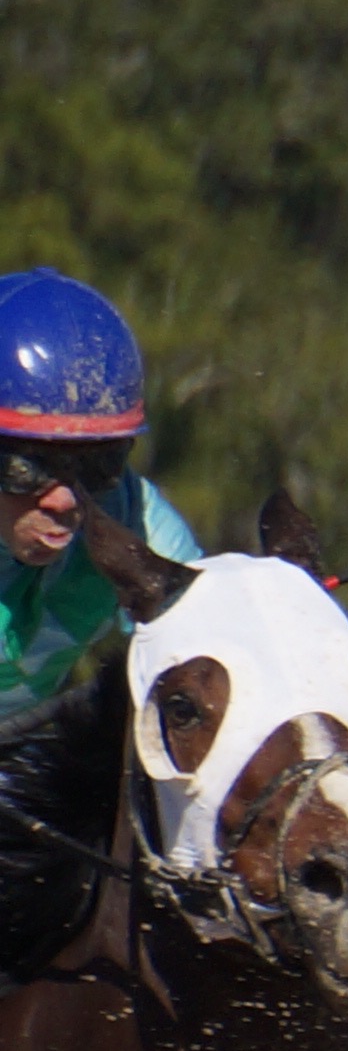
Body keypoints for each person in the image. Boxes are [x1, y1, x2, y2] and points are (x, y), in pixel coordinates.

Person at [0, 269, 207, 733]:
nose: (63, 500)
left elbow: (209, 644)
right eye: (24, 465)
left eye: (99, 466)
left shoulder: (130, 515)